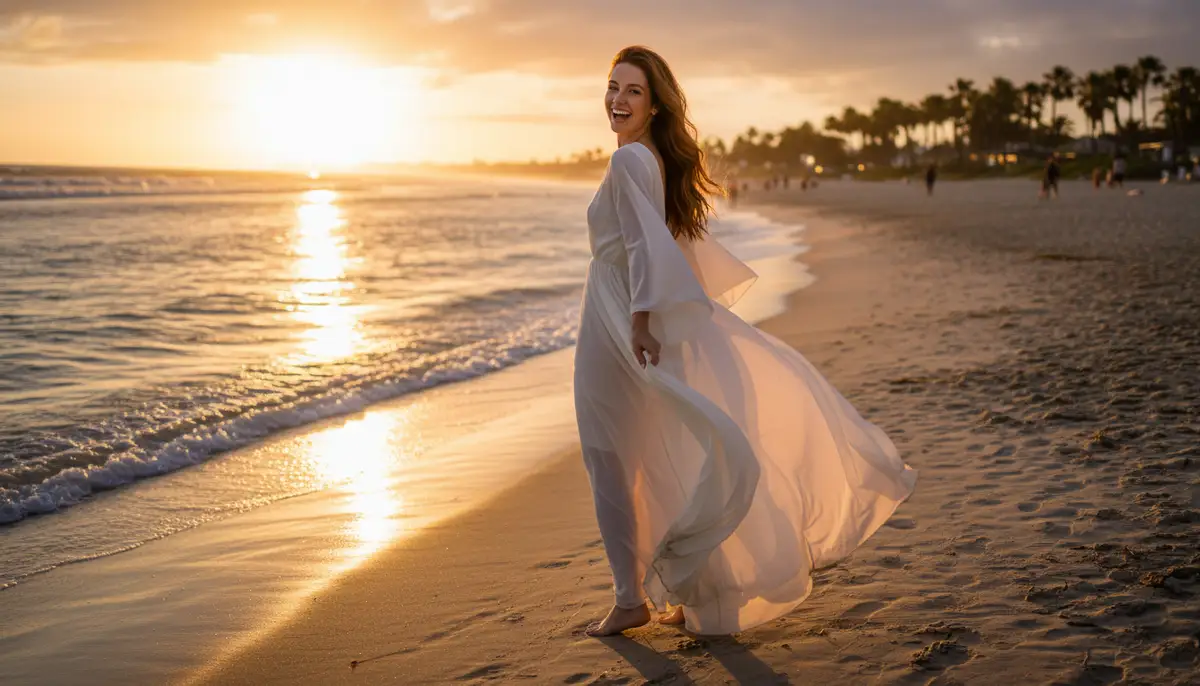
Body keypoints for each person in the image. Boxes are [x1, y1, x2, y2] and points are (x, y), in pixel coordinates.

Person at [574, 45, 917, 637]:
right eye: (612, 87)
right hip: (630, 308)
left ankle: (631, 596)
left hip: (615, 315)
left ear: (655, 105)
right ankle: (680, 589)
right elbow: (661, 246)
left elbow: (640, 248)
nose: (617, 99)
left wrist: (640, 321)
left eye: (632, 90)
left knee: (611, 456)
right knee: (660, 448)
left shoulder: (630, 162)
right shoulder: (648, 159)